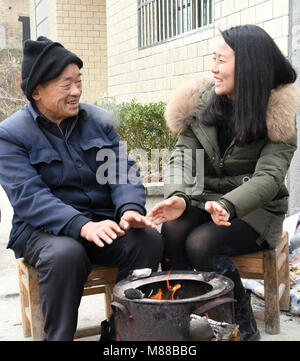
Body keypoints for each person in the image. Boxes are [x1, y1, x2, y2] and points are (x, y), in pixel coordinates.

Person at [0, 36, 163, 341]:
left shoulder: (97, 121)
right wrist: (81, 226)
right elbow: (29, 197)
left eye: (79, 81)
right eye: (66, 84)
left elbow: (121, 171)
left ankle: (121, 334)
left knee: (148, 241)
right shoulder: (11, 135)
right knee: (67, 254)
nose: (76, 91)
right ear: (37, 91)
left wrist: (129, 210)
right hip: (43, 232)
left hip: (100, 223)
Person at [149, 25, 300, 341]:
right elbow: (181, 158)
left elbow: (269, 177)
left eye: (221, 59)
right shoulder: (202, 104)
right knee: (173, 230)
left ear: (248, 65)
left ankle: (241, 324)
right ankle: (178, 314)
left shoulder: (277, 112)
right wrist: (177, 196)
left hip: (254, 209)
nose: (213, 68)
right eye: (213, 59)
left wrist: (230, 204)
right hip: (205, 198)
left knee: (202, 243)